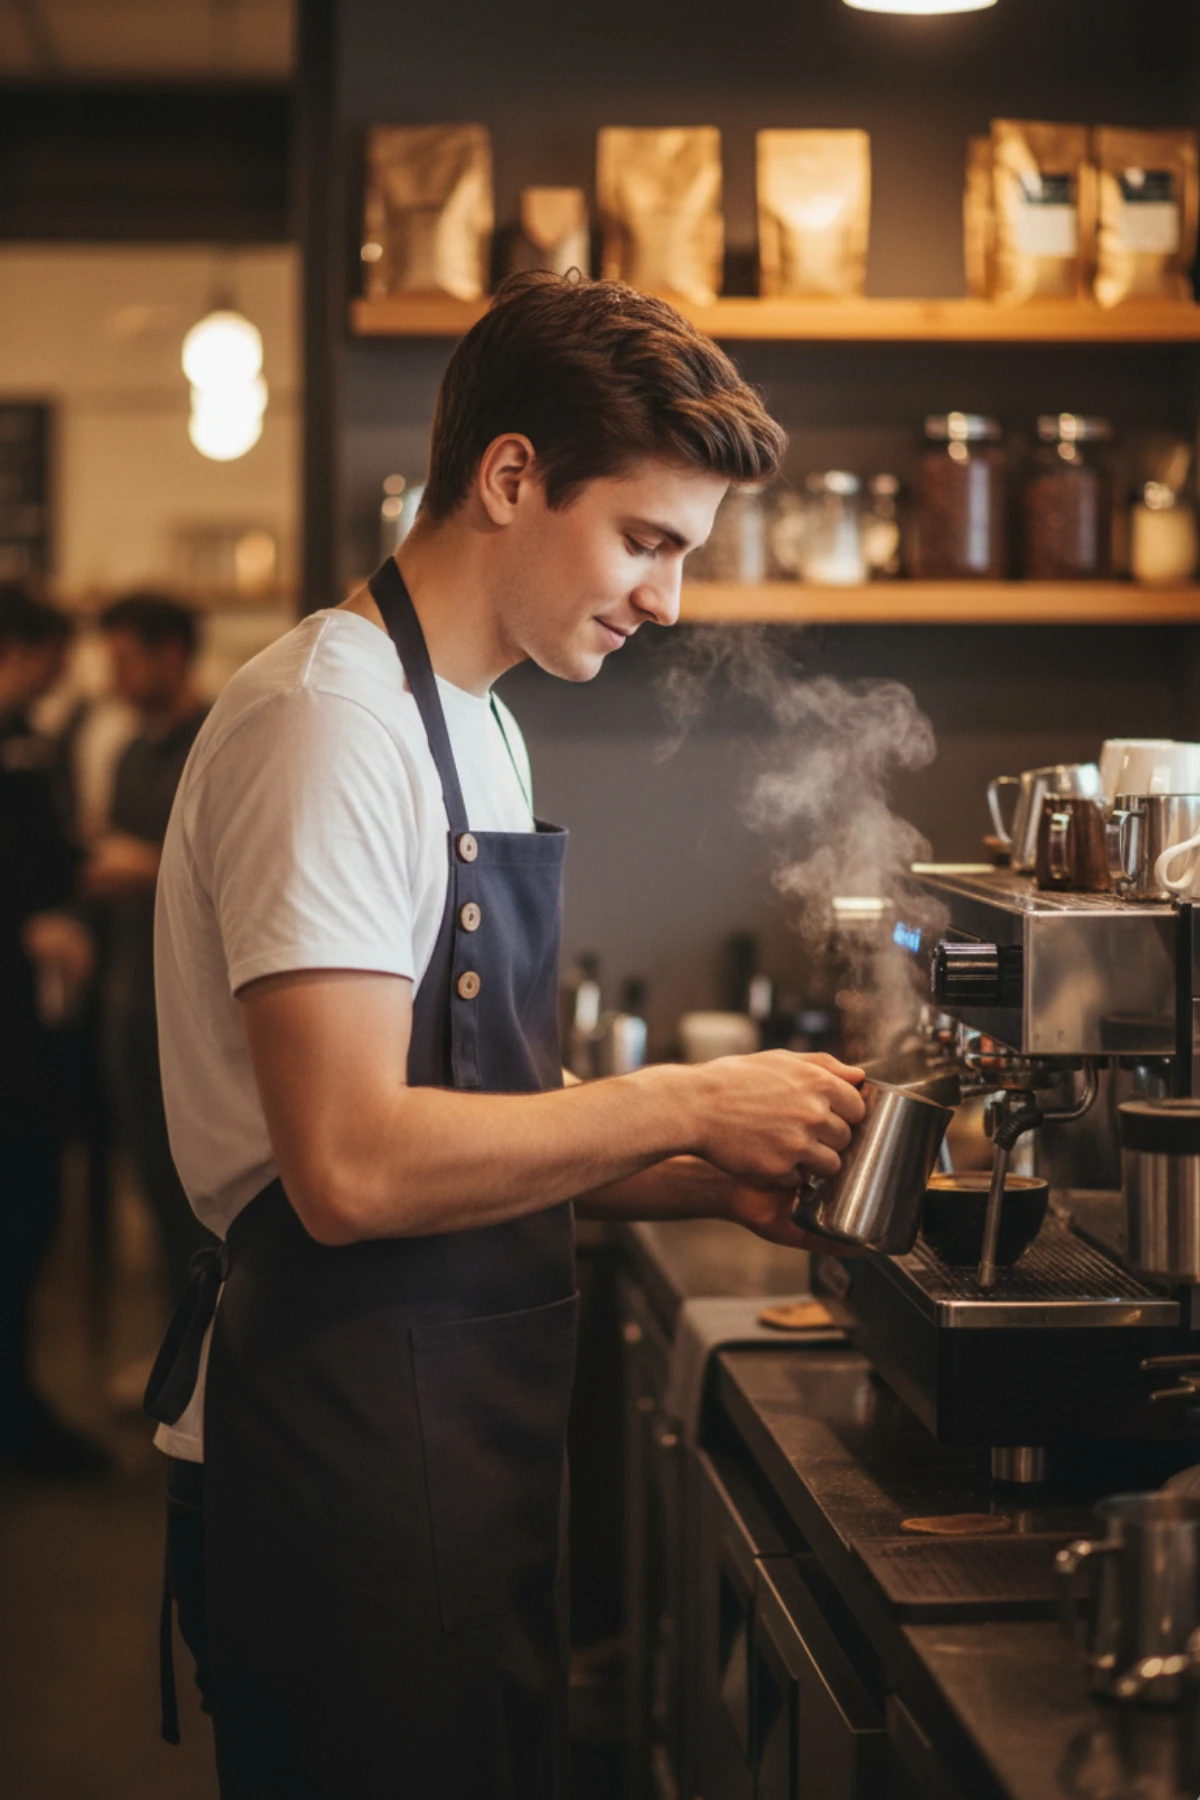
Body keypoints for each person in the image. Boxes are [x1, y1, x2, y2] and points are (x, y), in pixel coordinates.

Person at [145, 273, 867, 1796]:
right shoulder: (329, 725)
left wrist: (704, 1172)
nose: (668, 601)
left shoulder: (478, 717)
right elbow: (349, 1165)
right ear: (512, 476)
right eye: (647, 541)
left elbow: (476, 1106)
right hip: (341, 1466)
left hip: (456, 1456)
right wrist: (687, 1097)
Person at [0, 585, 106, 1477]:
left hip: (26, 1029)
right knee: (21, 1211)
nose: (57, 678)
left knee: (31, 1213)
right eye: (47, 660)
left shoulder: (25, 739)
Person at [85, 595, 212, 1312]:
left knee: (202, 1208)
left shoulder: (218, 740)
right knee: (156, 1198)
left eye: (126, 659)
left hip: (193, 1011)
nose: (114, 676)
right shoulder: (132, 752)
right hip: (130, 997)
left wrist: (146, 866)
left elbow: (236, 869)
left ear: (171, 654)